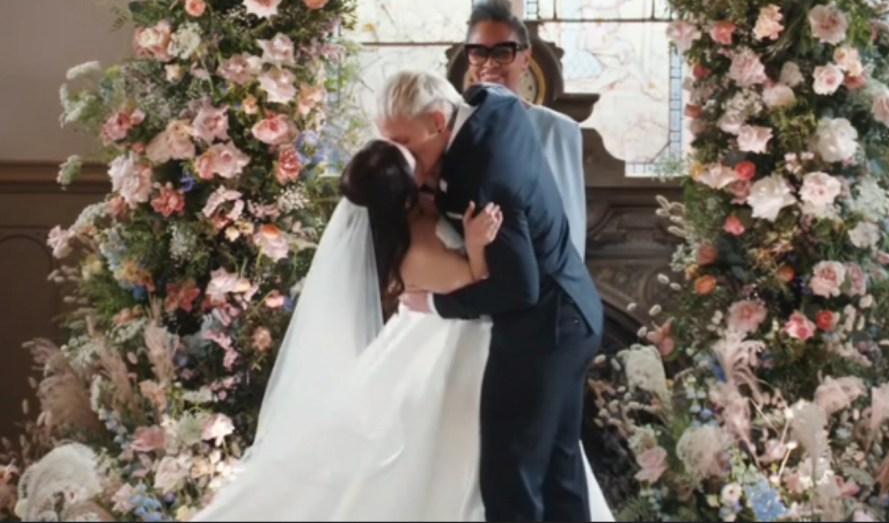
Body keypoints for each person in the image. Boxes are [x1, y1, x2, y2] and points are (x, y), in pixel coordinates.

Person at [193, 140, 614, 521]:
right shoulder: (417, 246)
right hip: (455, 351)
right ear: (405, 192)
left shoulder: (414, 226)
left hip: (448, 340)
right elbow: (481, 291)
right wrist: (475, 247)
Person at [379, 70, 604, 521]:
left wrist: (437, 304)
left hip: (544, 331)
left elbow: (519, 289)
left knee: (510, 477)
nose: (402, 158)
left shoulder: (481, 176)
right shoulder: (489, 104)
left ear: (439, 122)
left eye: (406, 144)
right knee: (560, 472)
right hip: (577, 311)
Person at [464, 0, 587, 257]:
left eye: (502, 52)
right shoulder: (453, 127)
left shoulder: (558, 131)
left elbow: (571, 228)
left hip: (543, 281)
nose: (489, 64)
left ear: (526, 58)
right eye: (478, 52)